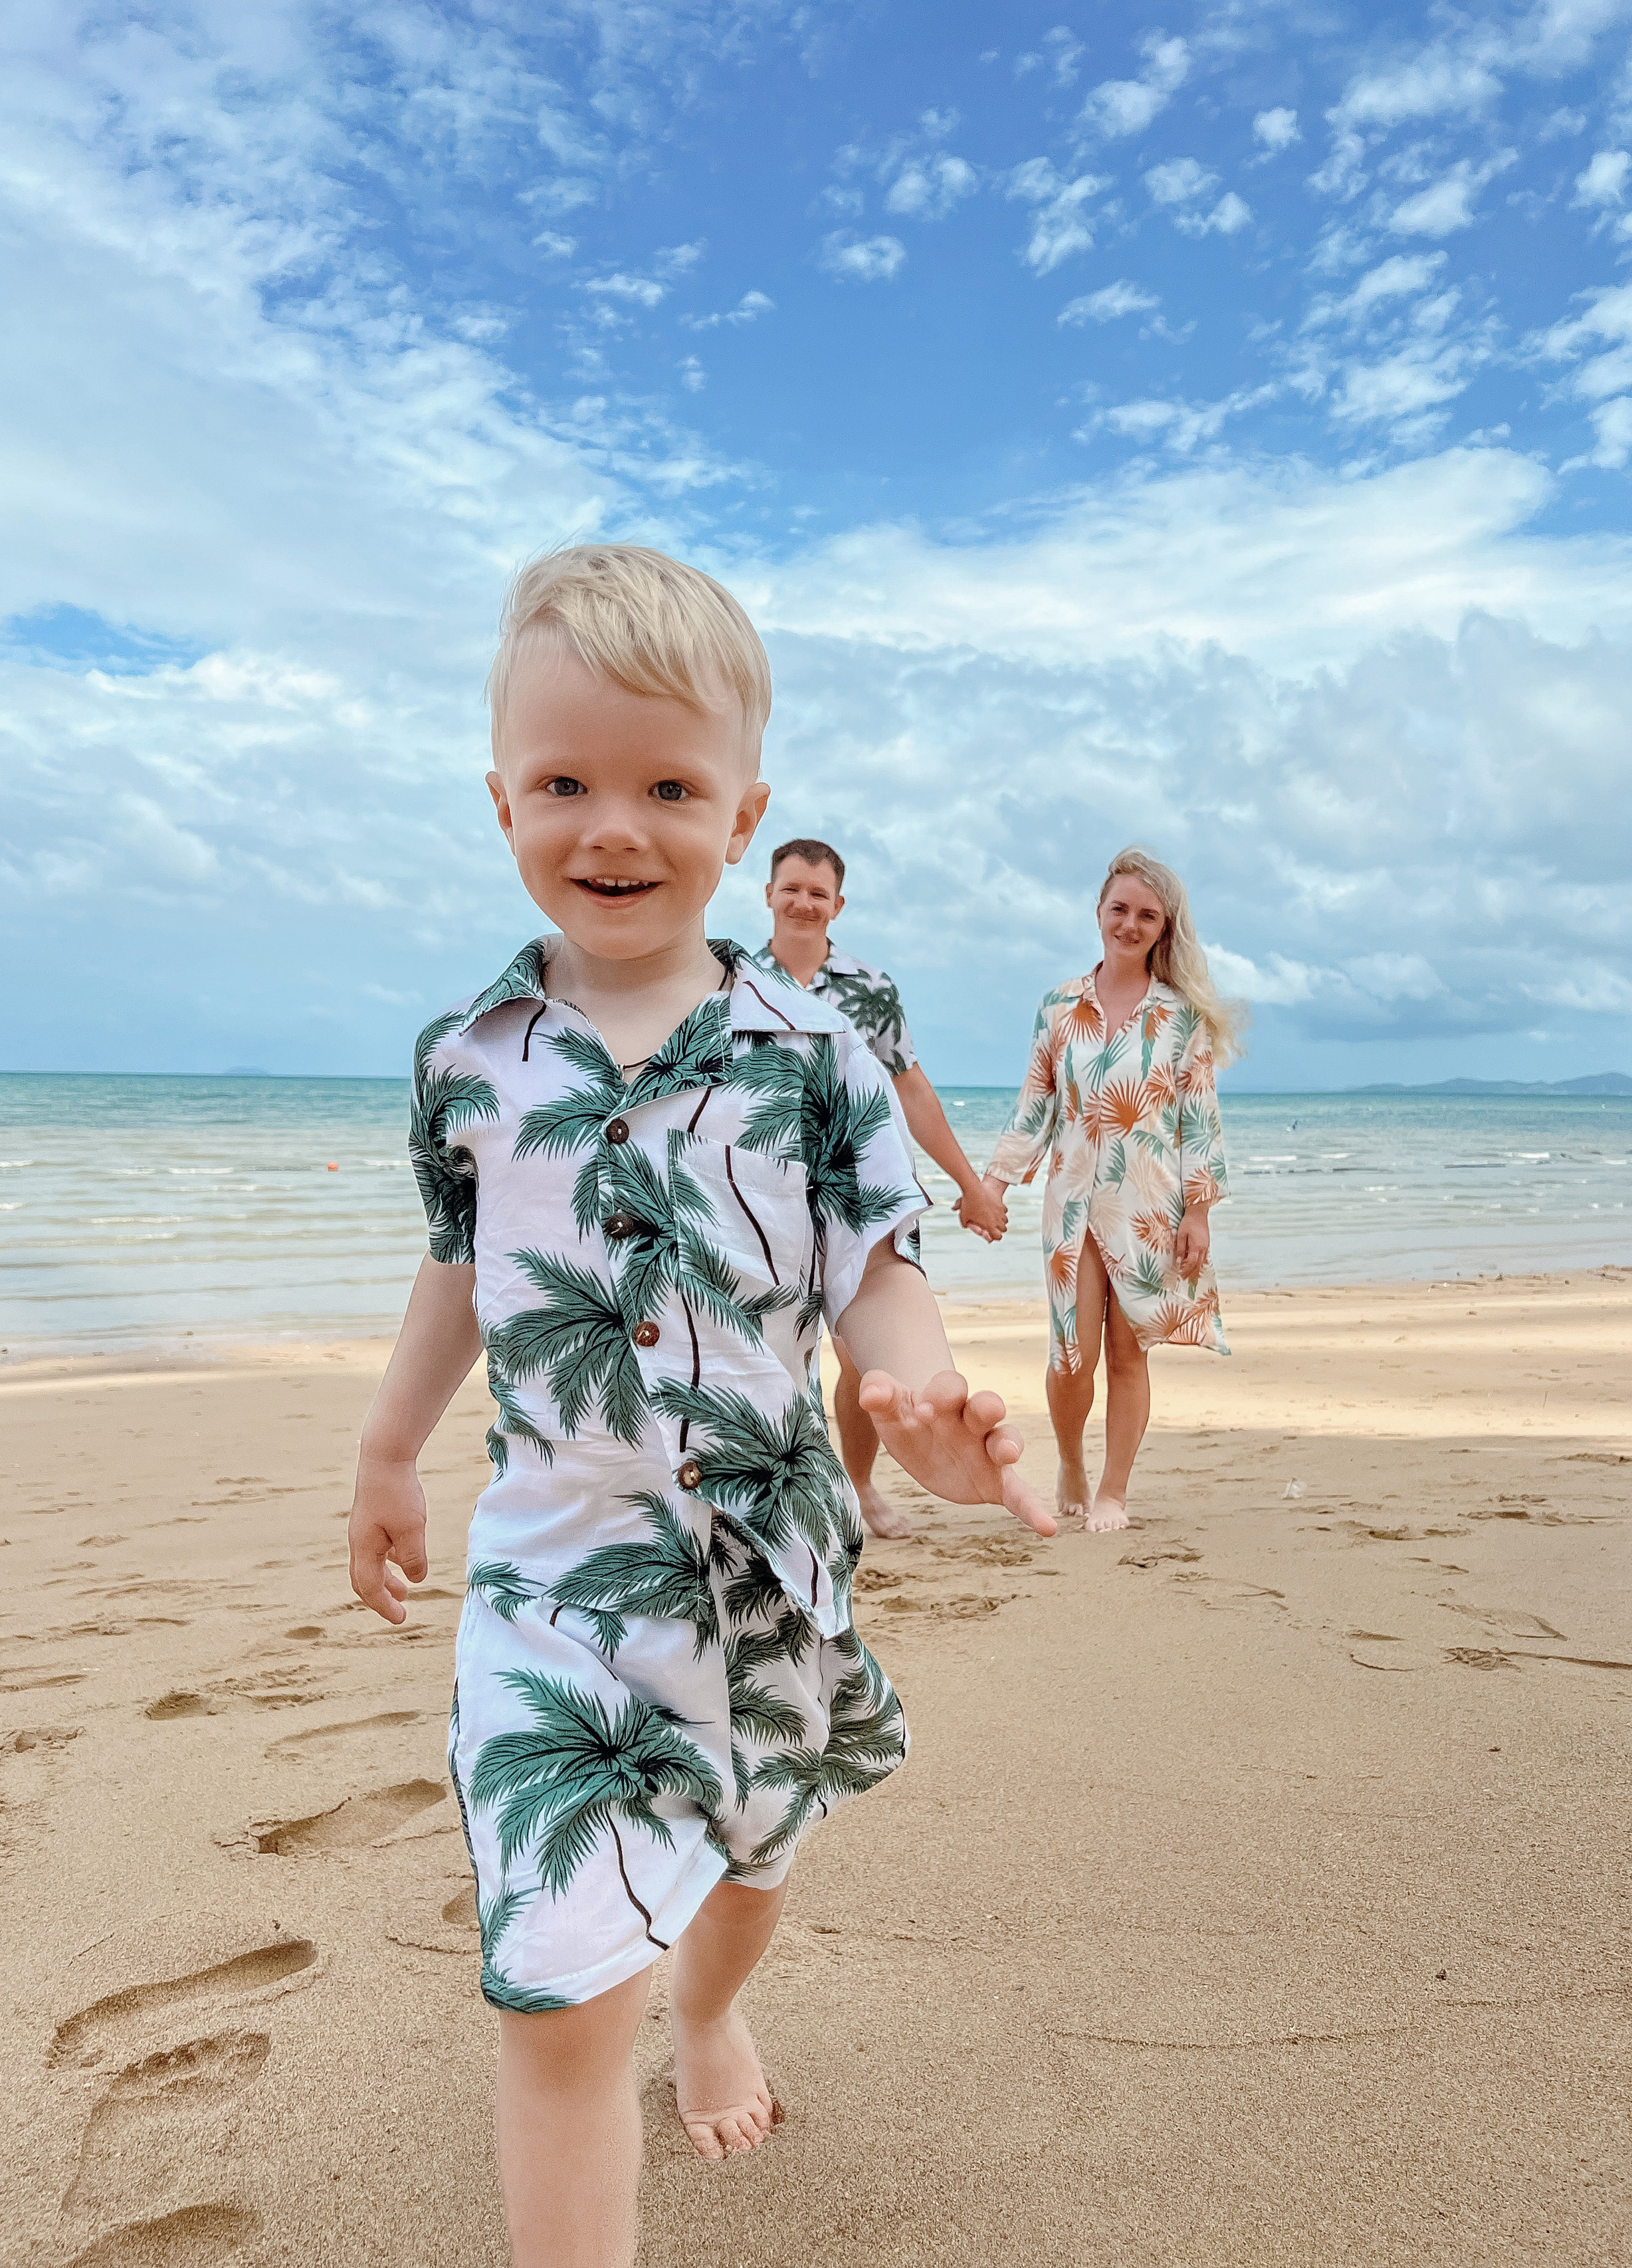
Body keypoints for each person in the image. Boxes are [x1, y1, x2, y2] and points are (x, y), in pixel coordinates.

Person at [347, 544, 1054, 2268]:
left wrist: (918, 1387)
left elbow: (877, 1263)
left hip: (766, 1568)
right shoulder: (464, 1058)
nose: (615, 826)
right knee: (554, 1991)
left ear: (744, 814)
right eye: (565, 783)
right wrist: (386, 1446)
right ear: (500, 796)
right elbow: (459, 1264)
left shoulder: (815, 1052)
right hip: (552, 1575)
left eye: (668, 786)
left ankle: (713, 2009)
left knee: (750, 1863)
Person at [983, 847, 1243, 1532]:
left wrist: (1199, 1212)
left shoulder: (1182, 1017)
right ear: (1099, 911)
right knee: (1073, 1354)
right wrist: (994, 1182)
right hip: (1070, 1202)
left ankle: (1113, 1492)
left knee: (1128, 1354)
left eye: (1146, 915)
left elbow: (1199, 1119)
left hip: (1149, 1207)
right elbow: (1035, 1103)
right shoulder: (1058, 1006)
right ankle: (1070, 1457)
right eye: (1120, 909)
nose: (1130, 924)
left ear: (1164, 928)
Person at [754, 839, 1008, 1540]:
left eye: (818, 892)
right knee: (769, 1348)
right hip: (764, 1194)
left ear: (838, 904)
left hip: (858, 1193)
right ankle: (781, 1494)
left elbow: (912, 1089)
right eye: (792, 888)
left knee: (858, 1357)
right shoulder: (733, 981)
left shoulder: (870, 989)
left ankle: (857, 1485)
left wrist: (971, 1186)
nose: (803, 902)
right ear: (768, 894)